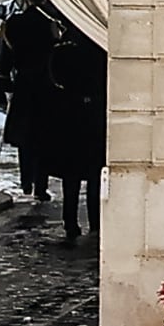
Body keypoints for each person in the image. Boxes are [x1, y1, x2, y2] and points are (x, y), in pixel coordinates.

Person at [48, 21, 108, 247]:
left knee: (71, 177)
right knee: (93, 175)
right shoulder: (100, 52)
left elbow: (54, 81)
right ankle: (95, 222)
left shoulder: (61, 52)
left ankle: (70, 221)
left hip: (69, 119)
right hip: (93, 119)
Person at [0, 0, 54, 208]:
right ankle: (40, 186)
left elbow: (4, 61)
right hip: (45, 86)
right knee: (43, 138)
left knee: (25, 138)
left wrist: (6, 85)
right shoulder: (50, 24)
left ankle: (26, 182)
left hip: (24, 86)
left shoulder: (15, 24)